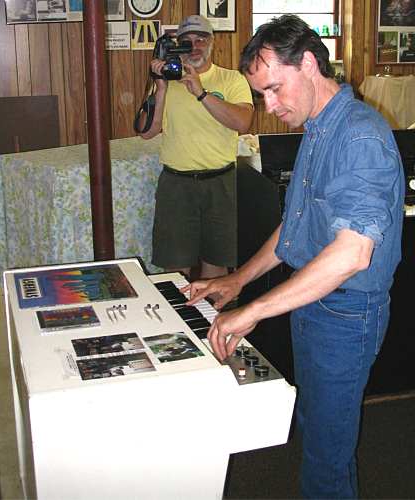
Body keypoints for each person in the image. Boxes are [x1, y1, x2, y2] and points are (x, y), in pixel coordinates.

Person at [184, 15, 405, 499]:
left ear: (308, 63)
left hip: (346, 312)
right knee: (317, 430)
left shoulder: (360, 136)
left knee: (327, 453)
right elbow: (297, 225)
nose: (269, 105)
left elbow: (351, 254)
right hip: (313, 303)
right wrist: (239, 280)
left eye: (274, 89)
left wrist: (254, 310)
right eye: (261, 94)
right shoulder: (319, 127)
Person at [137, 15, 254, 280]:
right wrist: (162, 87)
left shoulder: (231, 79)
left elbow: (243, 122)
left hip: (220, 183)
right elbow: (147, 131)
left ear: (213, 42)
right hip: (177, 186)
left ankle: (216, 321)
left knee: (217, 267)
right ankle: (179, 320)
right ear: (177, 47)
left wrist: (201, 92)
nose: (195, 46)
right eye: (187, 42)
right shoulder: (167, 83)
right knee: (175, 269)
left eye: (201, 39)